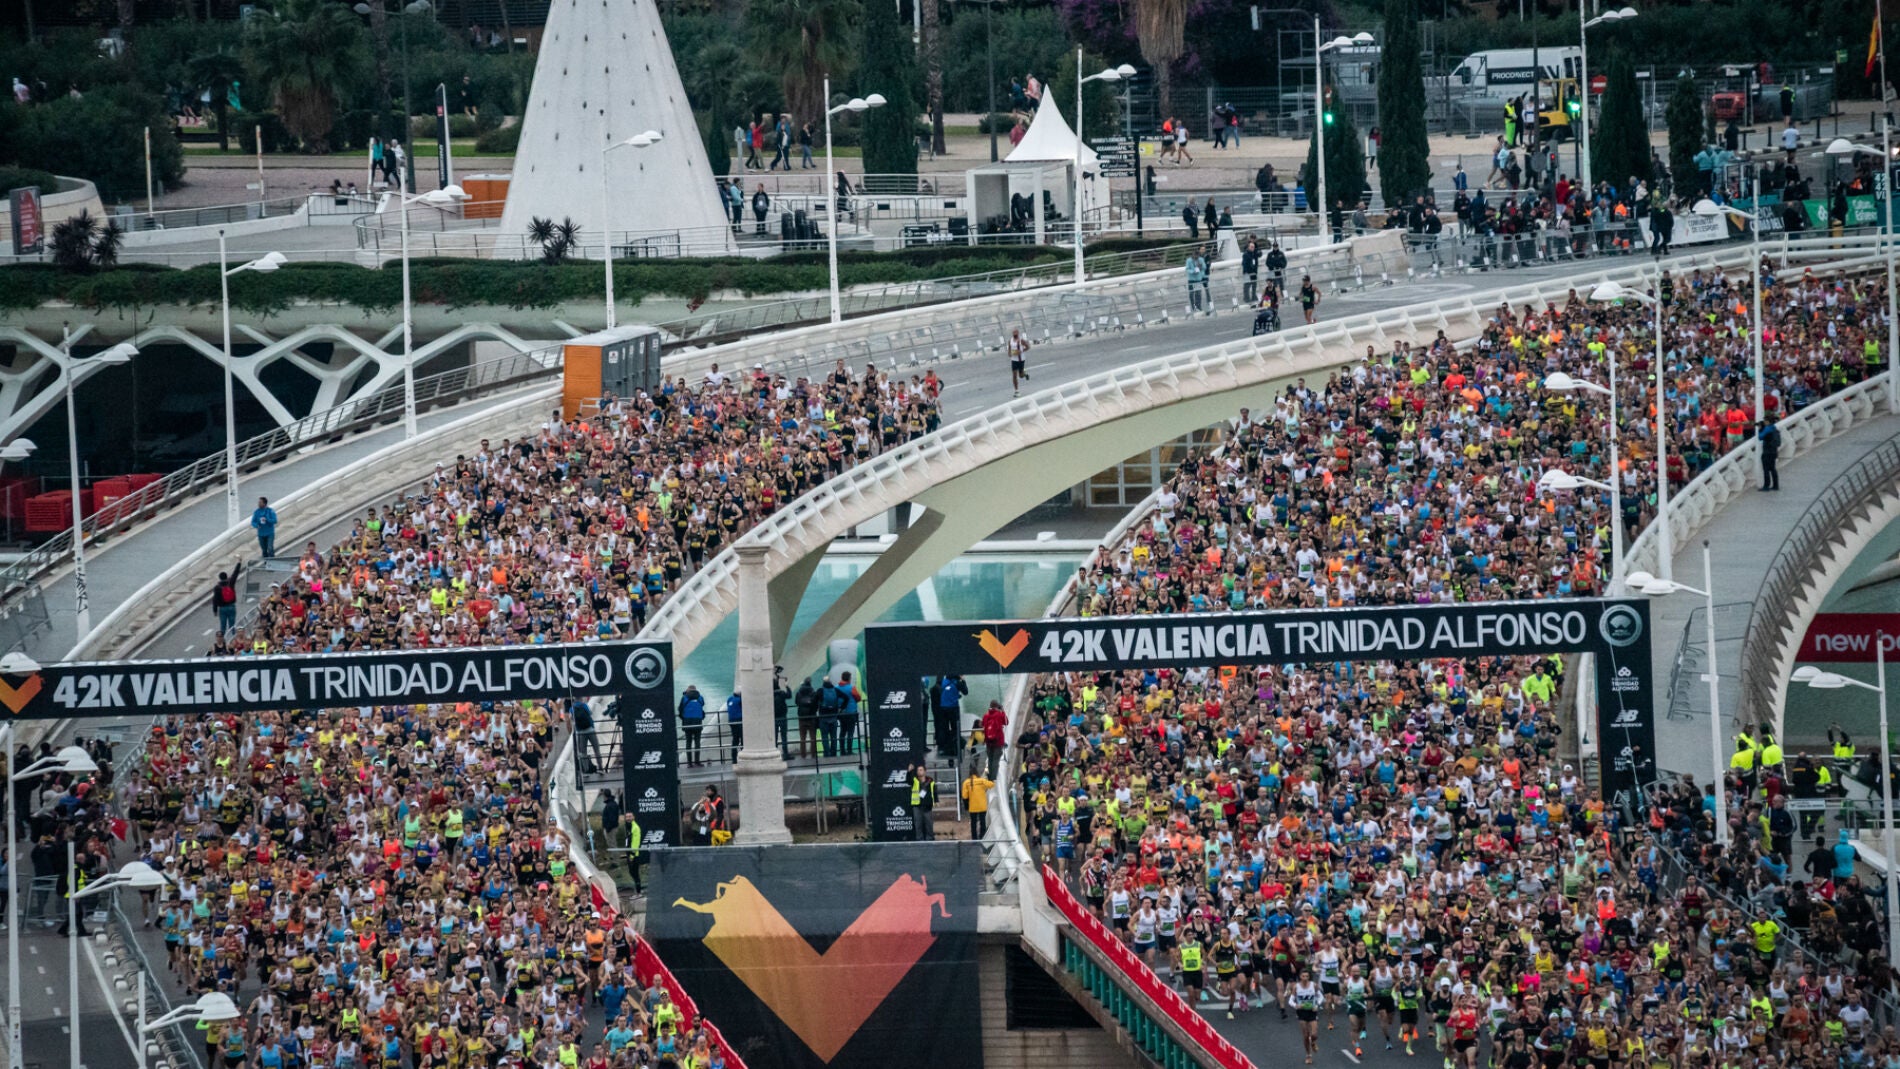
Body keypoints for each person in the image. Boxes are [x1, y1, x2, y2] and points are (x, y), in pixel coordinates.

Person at [933, 673, 967, 756]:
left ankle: (943, 749)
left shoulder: (943, 682)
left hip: (943, 709)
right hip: (953, 708)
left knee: (944, 729)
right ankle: (955, 748)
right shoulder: (957, 682)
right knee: (955, 729)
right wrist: (963, 681)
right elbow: (965, 692)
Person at [210, 556, 242, 636]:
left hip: (222, 608)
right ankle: (233, 638)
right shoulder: (230, 582)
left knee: (223, 626)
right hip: (231, 606)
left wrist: (215, 611)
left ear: (219, 578)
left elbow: (215, 600)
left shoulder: (217, 587)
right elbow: (235, 573)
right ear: (226, 576)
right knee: (232, 625)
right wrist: (239, 562)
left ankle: (223, 640)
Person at [961, 765, 993, 840]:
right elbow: (991, 785)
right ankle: (982, 836)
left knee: (973, 823)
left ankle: (974, 838)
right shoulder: (982, 781)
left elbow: (964, 796)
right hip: (982, 806)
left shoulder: (966, 782)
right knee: (982, 822)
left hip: (973, 807)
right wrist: (989, 776)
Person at [678, 684, 707, 767]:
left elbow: (680, 709)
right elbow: (702, 705)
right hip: (698, 722)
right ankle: (697, 761)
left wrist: (684, 718)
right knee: (697, 743)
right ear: (695, 690)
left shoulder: (684, 698)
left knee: (688, 743)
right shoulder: (700, 698)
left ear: (688, 690)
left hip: (687, 722)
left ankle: (689, 763)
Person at [794, 676, 818, 757]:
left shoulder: (799, 692)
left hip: (802, 717)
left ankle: (803, 755)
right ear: (810, 683)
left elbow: (796, 702)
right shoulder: (813, 692)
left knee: (802, 738)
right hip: (811, 717)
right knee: (813, 737)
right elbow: (816, 704)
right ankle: (813, 755)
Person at [772, 666, 792, 756]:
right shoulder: (782, 693)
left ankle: (775, 753)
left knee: (775, 737)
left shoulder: (770, 695)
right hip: (783, 717)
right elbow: (789, 695)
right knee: (784, 737)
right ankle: (785, 754)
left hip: (774, 718)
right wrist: (786, 686)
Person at [1007, 328, 1031, 396]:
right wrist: (1009, 353)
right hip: (1014, 360)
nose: (1014, 334)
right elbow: (1009, 348)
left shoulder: (1021, 340)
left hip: (1021, 359)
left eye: (1016, 332)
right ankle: (1016, 391)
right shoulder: (1010, 340)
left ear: (1018, 333)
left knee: (1021, 376)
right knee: (1014, 375)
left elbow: (1028, 347)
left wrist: (1021, 351)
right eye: (1013, 332)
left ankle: (1025, 374)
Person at [1759, 420, 1781, 489]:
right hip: (1774, 451)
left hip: (1767, 452)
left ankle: (1766, 485)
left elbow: (1760, 437)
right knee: (1773, 469)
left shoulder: (1767, 430)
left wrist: (1760, 430)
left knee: (1766, 469)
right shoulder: (1775, 430)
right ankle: (1775, 485)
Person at [724, 690, 742, 762]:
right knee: (743, 739)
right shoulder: (740, 700)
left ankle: (734, 759)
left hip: (731, 721)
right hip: (739, 720)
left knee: (735, 739)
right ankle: (743, 756)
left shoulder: (729, 698)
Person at [1241, 238, 1261, 304]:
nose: (1253, 248)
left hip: (1254, 272)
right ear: (1248, 247)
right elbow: (1245, 264)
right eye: (1251, 247)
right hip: (1248, 273)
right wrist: (1249, 271)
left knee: (1254, 285)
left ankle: (1253, 296)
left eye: (1253, 247)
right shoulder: (1245, 254)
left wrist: (1254, 270)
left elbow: (1259, 255)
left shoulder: (1254, 254)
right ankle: (1246, 298)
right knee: (1247, 285)